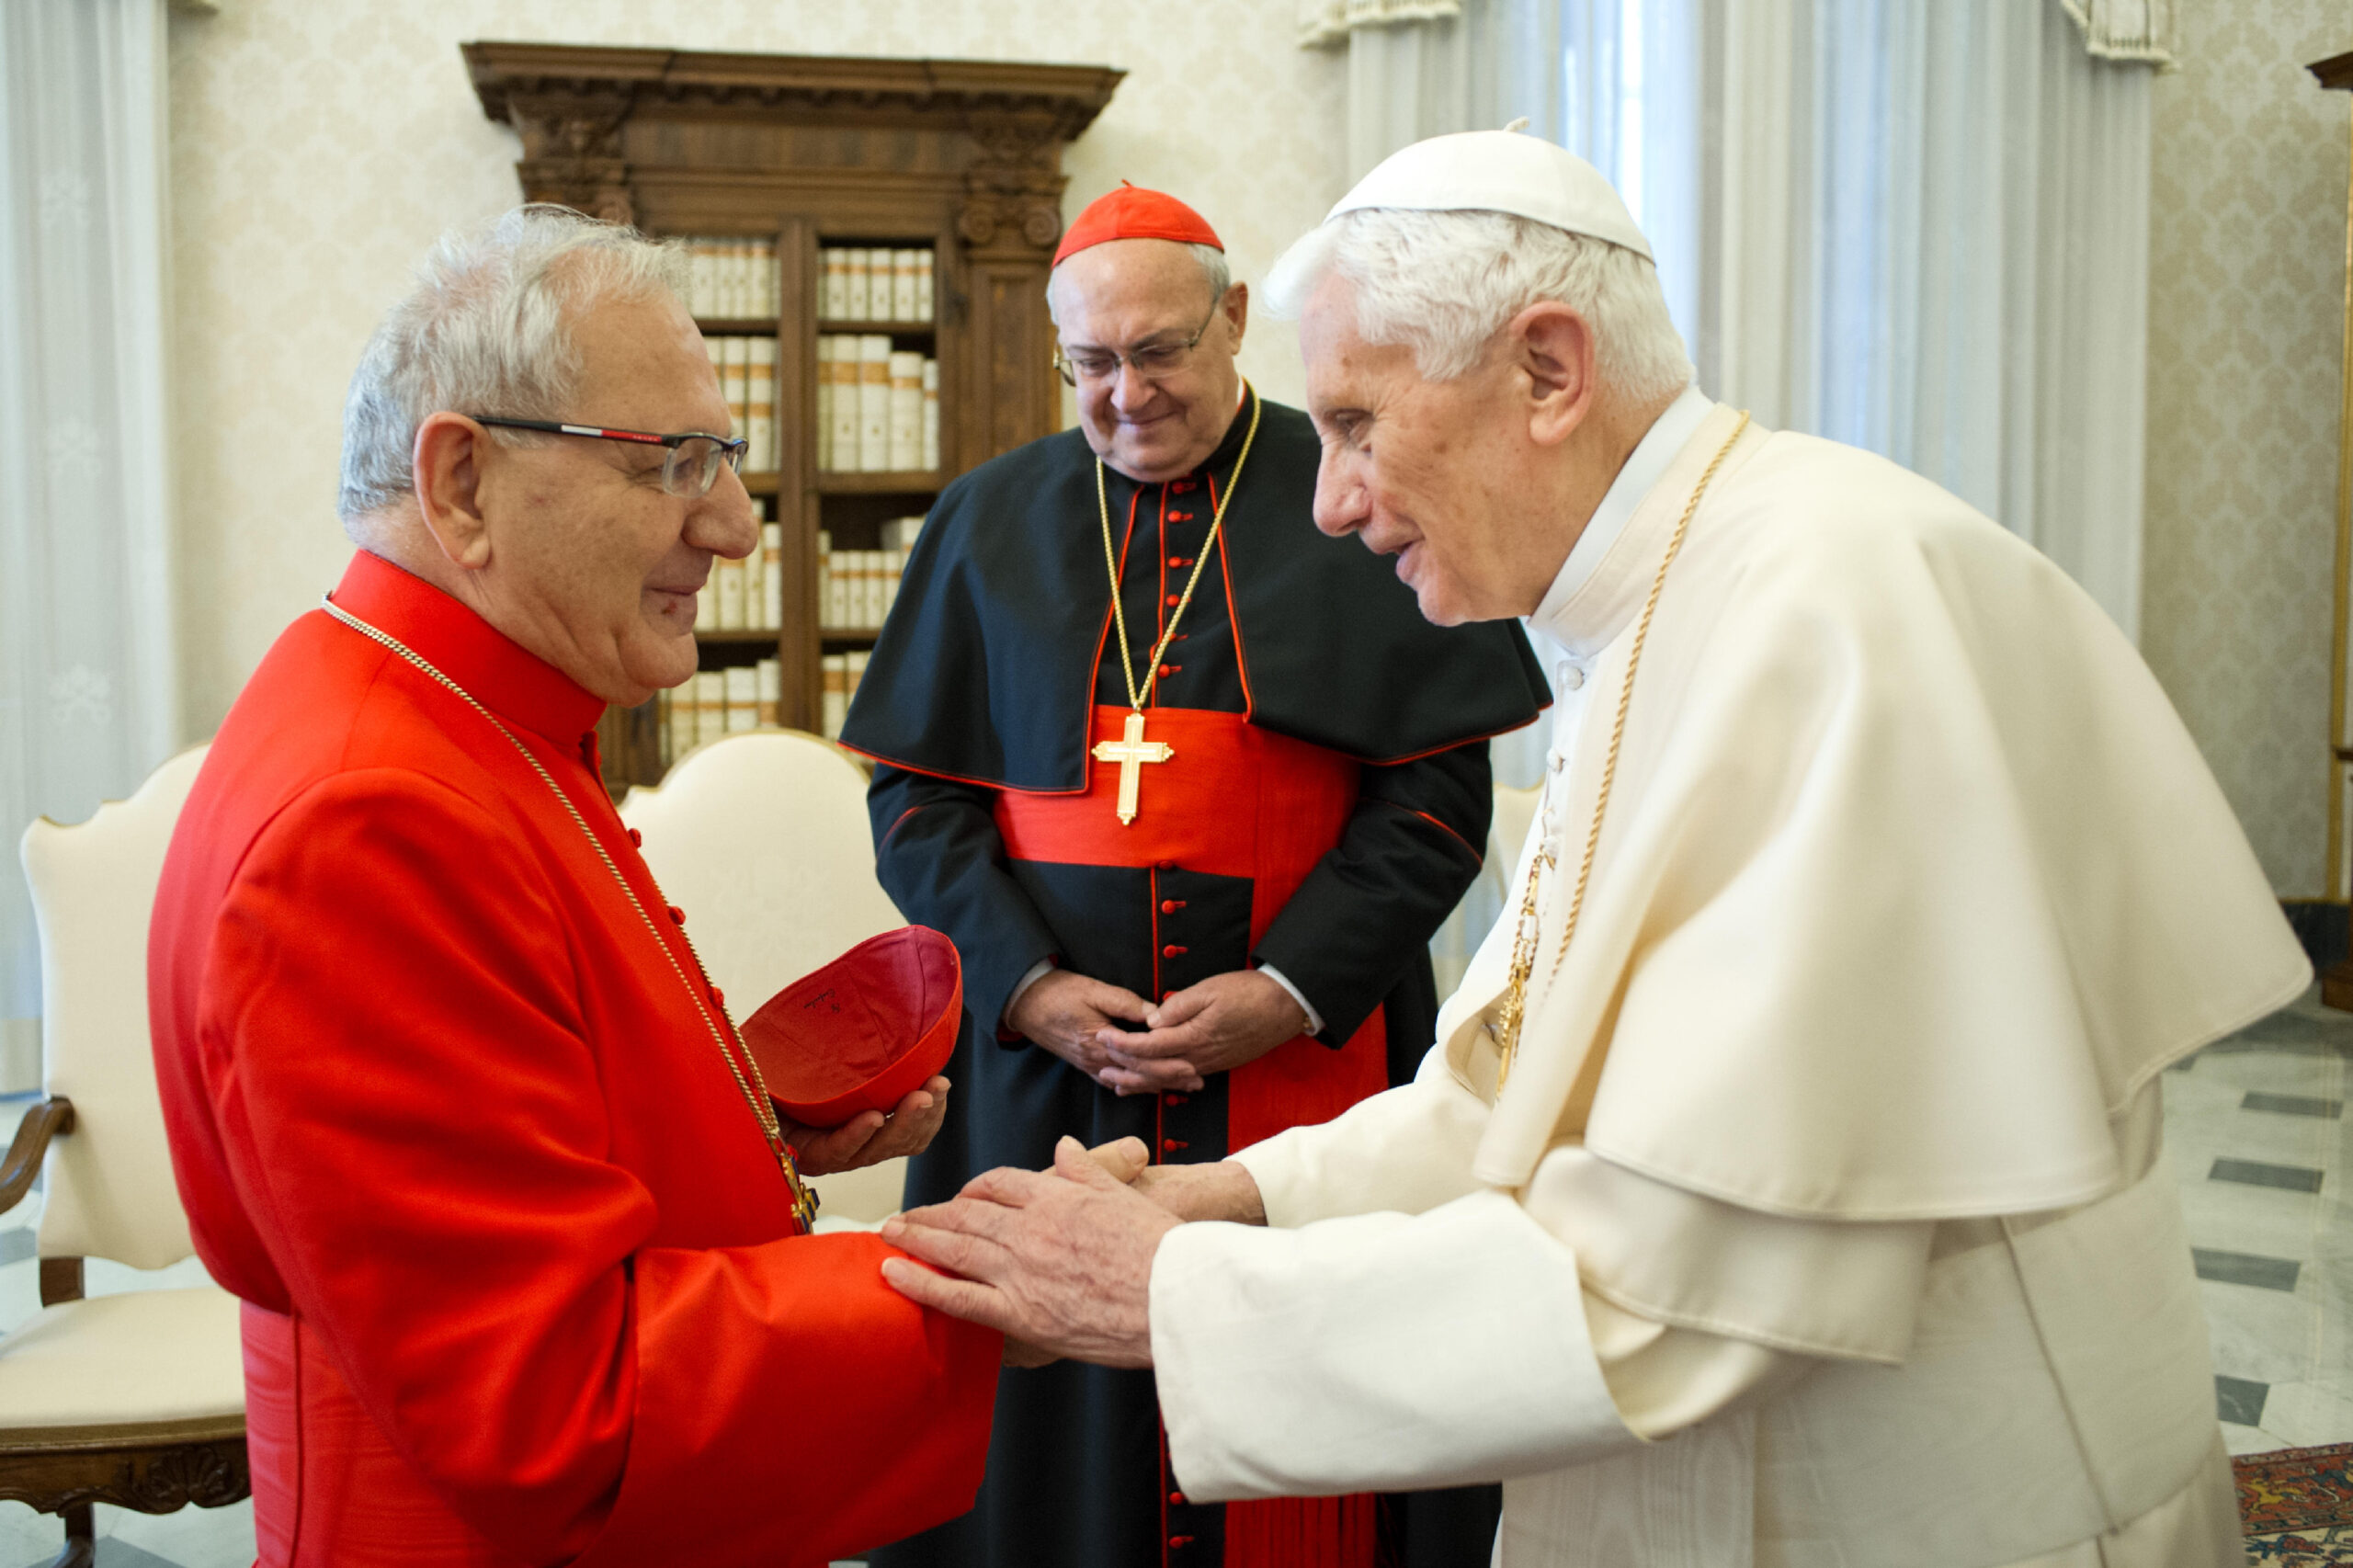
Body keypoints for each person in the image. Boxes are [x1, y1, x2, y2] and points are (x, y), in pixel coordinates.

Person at [877, 132, 2312, 1568]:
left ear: (1548, 372)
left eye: (1361, 424)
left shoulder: (1824, 612)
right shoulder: (1642, 613)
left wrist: (1172, 1292)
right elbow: (1512, 1086)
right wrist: (1235, 1196)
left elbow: (1686, 1274)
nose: (1328, 500)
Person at [148, 206, 1000, 1568]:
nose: (731, 524)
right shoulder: (369, 819)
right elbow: (554, 1400)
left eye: (723, 458)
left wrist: (748, 1136)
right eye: (672, 464)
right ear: (465, 483)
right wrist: (988, 1282)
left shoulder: (449, 709)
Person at [843, 184, 1544, 1568]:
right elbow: (917, 798)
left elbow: (1435, 796)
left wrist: (1289, 989)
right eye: (1092, 365)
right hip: (1042, 1069)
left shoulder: (1354, 502)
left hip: (1303, 1057)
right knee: (1043, 1448)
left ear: (1233, 319)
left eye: (1158, 351)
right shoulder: (990, 521)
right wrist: (1027, 985)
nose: (1126, 394)